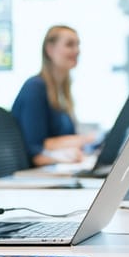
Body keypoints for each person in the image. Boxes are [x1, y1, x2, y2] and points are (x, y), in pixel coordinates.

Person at [12, 25, 95, 166]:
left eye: (77, 45)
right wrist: (84, 140)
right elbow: (34, 146)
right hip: (35, 172)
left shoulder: (62, 93)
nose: (77, 50)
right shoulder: (35, 87)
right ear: (50, 50)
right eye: (70, 45)